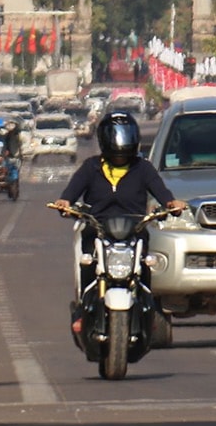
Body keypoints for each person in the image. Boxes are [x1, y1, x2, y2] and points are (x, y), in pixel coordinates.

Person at [51, 112, 186, 328]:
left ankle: (147, 312)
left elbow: (162, 193)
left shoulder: (143, 168)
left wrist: (171, 204)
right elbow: (71, 193)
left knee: (144, 267)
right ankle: (82, 312)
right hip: (98, 230)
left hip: (134, 231)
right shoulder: (91, 167)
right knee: (88, 263)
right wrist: (65, 202)